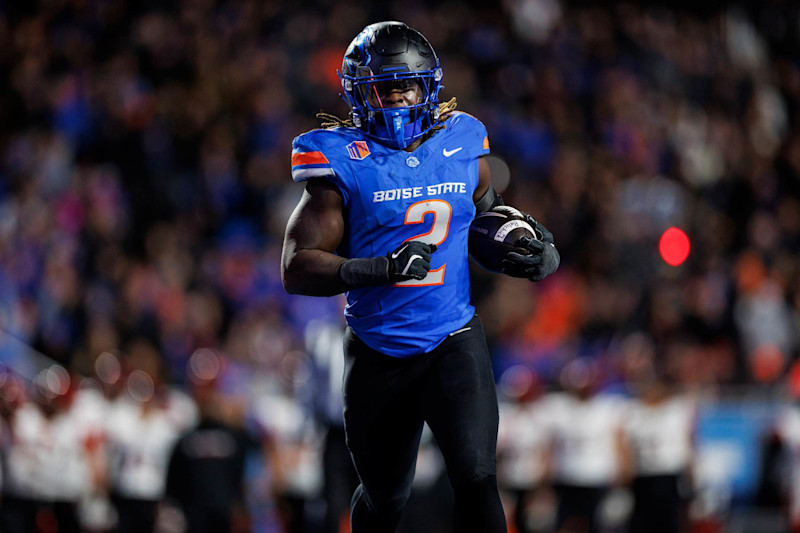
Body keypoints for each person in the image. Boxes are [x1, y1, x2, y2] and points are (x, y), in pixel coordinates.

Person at [281, 21, 560, 533]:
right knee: (386, 499)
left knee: (477, 477)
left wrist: (522, 247)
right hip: (378, 349)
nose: (399, 99)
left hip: (453, 337)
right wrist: (381, 269)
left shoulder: (463, 139)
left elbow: (481, 221)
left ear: (429, 86)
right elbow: (297, 267)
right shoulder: (341, 159)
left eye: (407, 85)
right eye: (385, 88)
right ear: (360, 94)